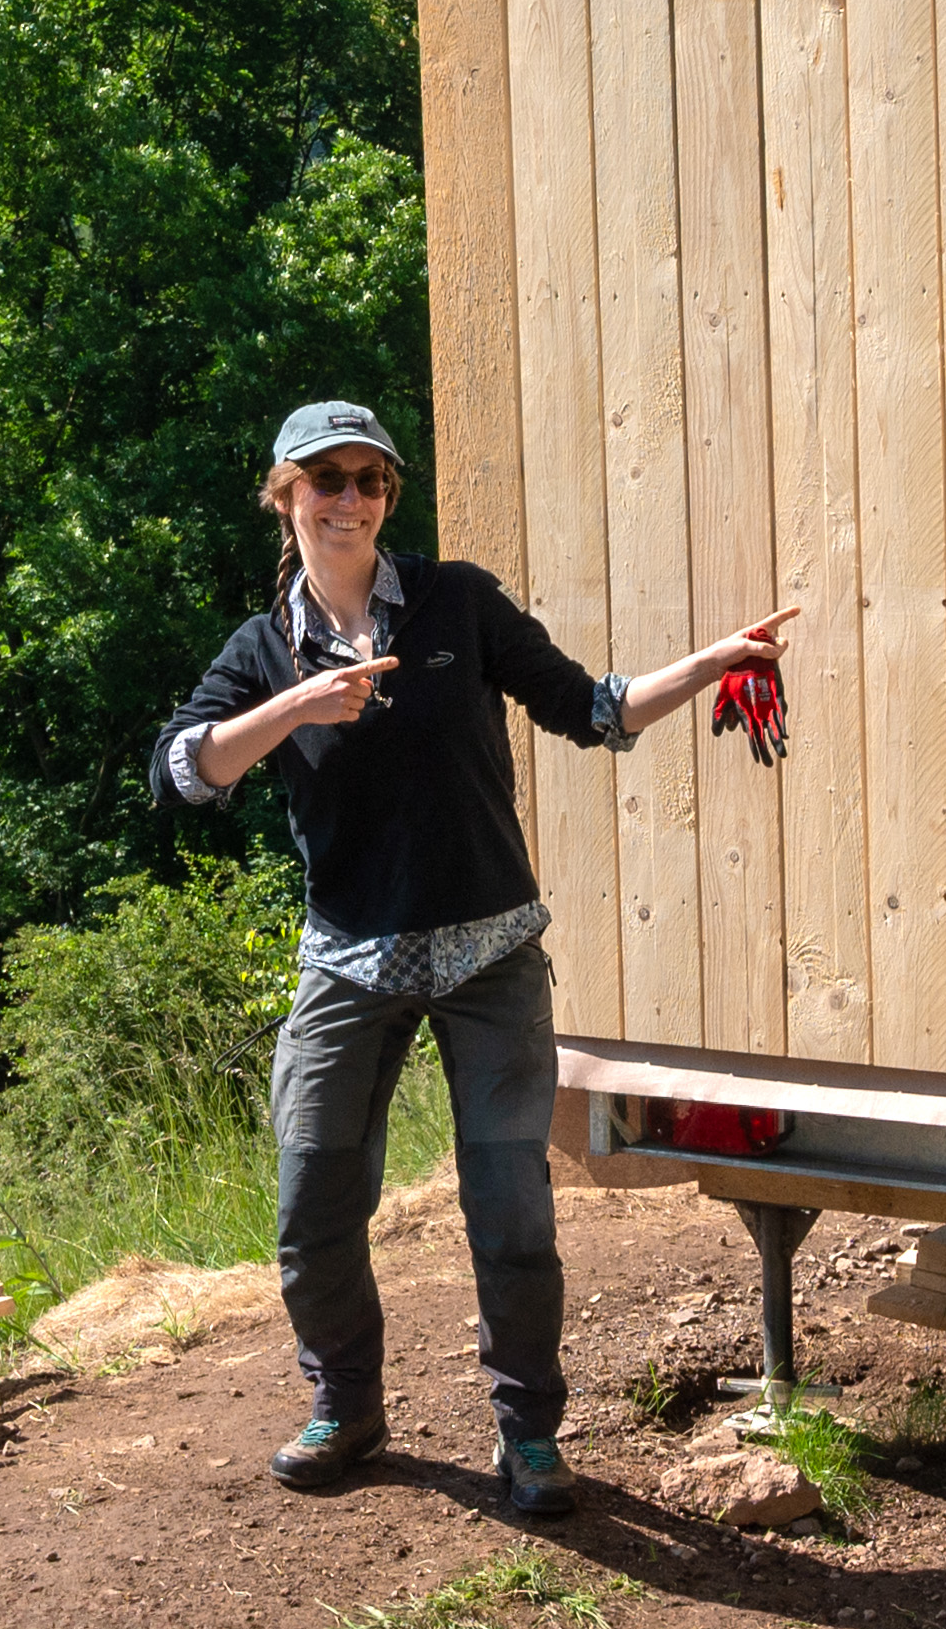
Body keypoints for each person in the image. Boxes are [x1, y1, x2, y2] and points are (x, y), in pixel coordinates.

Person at [151, 399, 792, 1516]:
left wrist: (711, 661)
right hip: (348, 961)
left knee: (511, 1207)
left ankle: (529, 1435)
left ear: (389, 495)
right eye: (325, 479)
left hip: (491, 952)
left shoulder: (456, 599)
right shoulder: (261, 651)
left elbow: (589, 707)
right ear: (283, 493)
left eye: (370, 479)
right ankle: (345, 1404)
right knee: (312, 1196)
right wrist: (296, 703)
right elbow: (180, 771)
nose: (348, 497)